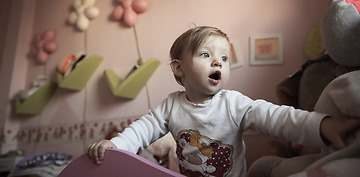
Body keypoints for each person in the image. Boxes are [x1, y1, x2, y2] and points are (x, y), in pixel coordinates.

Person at [87, 26, 360, 177]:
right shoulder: (170, 106)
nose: (218, 61)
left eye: (224, 58)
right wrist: (115, 145)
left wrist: (323, 126)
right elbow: (141, 130)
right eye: (206, 55)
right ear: (178, 68)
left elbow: (277, 118)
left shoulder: (234, 103)